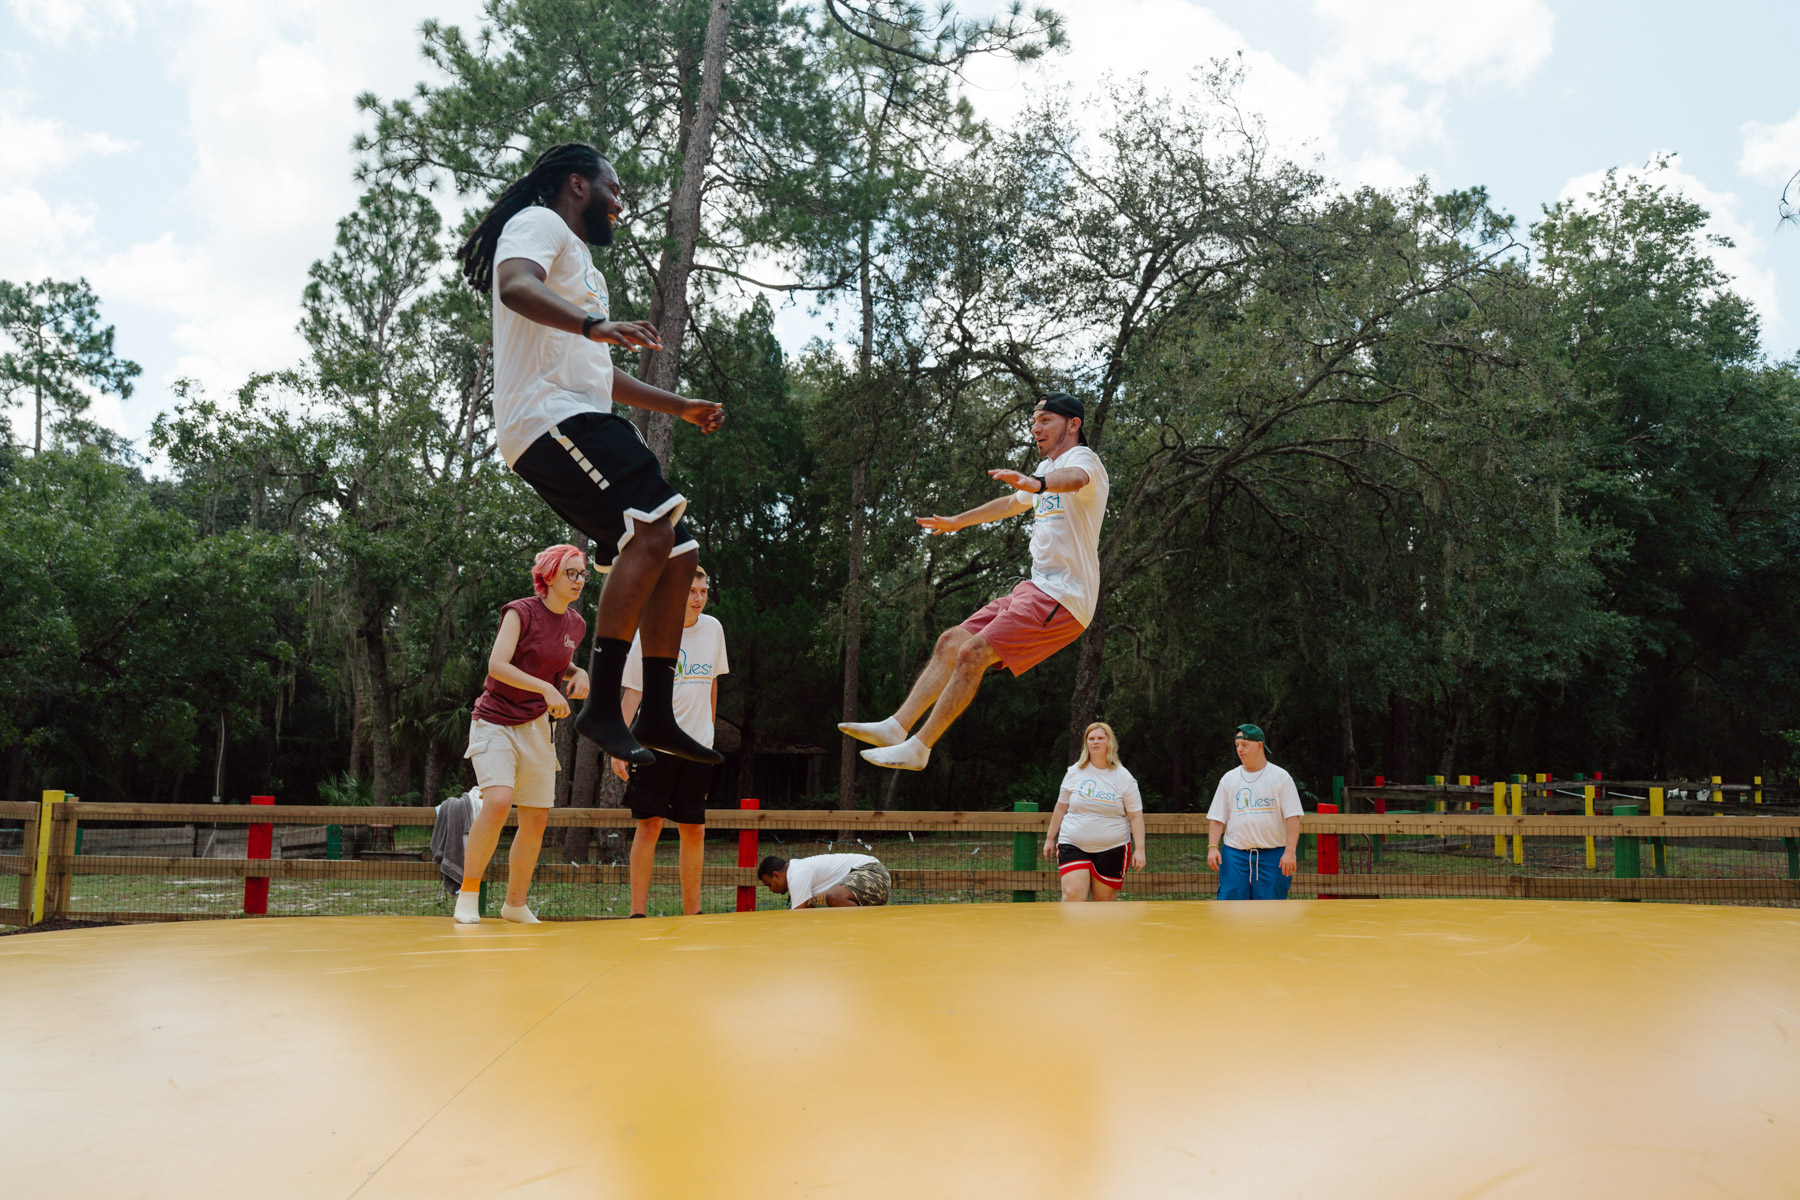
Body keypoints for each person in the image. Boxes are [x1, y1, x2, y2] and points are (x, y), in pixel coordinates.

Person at [456, 140, 723, 769]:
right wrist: (593, 324)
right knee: (652, 531)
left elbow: (598, 374)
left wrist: (678, 405)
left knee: (677, 552)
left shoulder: (587, 273)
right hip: (547, 419)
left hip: (582, 413)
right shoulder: (539, 223)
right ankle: (603, 707)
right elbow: (514, 286)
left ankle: (655, 711)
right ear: (578, 184)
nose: (620, 202)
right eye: (614, 188)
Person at [841, 393, 1109, 771]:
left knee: (973, 653)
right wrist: (957, 521)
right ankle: (895, 727)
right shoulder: (1044, 470)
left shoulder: (1083, 460)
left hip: (1065, 598)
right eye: (1034, 420)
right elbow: (1010, 504)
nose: (1035, 428)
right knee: (951, 642)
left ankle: (920, 748)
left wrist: (1038, 483)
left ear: (1074, 424)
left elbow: (1075, 479)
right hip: (1035, 588)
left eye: (1046, 419)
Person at [453, 544, 593, 924]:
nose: (579, 580)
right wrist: (547, 689)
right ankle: (468, 893)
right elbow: (497, 665)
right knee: (499, 801)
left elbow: (555, 659)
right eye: (571, 573)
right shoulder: (520, 612)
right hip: (495, 720)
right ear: (548, 576)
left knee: (536, 818)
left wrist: (577, 672)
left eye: (582, 574)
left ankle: (514, 905)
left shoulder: (576, 625)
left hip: (536, 727)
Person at [614, 565, 728, 917]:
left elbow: (712, 682)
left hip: (697, 747)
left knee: (694, 829)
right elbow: (633, 691)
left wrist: (709, 732)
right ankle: (637, 913)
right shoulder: (651, 630)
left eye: (703, 592)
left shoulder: (714, 629)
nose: (697, 598)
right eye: (690, 591)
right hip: (655, 745)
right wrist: (618, 744)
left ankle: (693, 913)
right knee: (650, 825)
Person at [1040, 722, 1146, 902]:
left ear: (1110, 742)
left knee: (1103, 904)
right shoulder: (1074, 772)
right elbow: (1061, 807)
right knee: (1073, 894)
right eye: (1091, 738)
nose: (1095, 742)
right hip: (1073, 843)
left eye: (1100, 738)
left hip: (1112, 847)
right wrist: (1050, 838)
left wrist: (1140, 849)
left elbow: (1135, 816)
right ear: (1086, 743)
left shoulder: (1123, 777)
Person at [1205, 724, 1303, 901]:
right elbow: (1217, 818)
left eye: (1244, 745)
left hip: (1273, 855)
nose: (1239, 750)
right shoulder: (1229, 779)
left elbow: (1293, 817)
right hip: (1235, 855)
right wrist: (1212, 848)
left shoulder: (1281, 777)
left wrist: (1290, 852)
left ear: (1259, 746)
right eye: (1237, 745)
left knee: (1271, 908)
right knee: (1231, 907)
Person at [757, 853, 891, 909]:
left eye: (769, 885)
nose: (771, 890)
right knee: (833, 898)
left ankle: (864, 929)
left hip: (873, 873)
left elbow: (798, 916)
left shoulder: (796, 874)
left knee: (835, 896)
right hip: (874, 880)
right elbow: (808, 911)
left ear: (776, 875)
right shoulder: (798, 870)